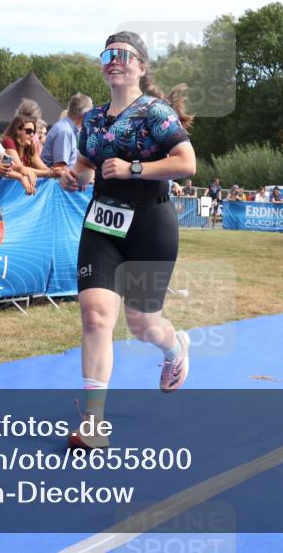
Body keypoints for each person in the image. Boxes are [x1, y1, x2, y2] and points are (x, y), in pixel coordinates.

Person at [58, 31, 196, 450]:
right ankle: (94, 422)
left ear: (141, 67)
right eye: (108, 55)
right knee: (96, 316)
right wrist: (75, 178)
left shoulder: (156, 112)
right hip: (102, 222)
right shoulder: (93, 119)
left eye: (124, 55)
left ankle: (175, 348)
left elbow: (186, 163)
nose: (114, 60)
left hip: (150, 223)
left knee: (142, 325)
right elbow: (86, 164)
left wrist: (135, 168)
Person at [42, 93, 91, 176]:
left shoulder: (68, 129)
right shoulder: (65, 131)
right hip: (55, 182)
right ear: (84, 114)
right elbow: (59, 169)